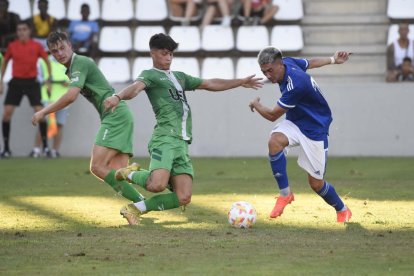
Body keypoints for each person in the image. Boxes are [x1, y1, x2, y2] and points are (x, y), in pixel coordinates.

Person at [103, 33, 262, 225]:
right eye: (164, 53)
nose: (168, 58)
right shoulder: (150, 75)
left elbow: (209, 83)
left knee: (183, 196)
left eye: (171, 54)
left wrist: (240, 82)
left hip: (182, 142)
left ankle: (134, 209)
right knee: (157, 185)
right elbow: (135, 88)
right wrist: (118, 97)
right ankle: (129, 173)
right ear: (153, 53)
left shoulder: (179, 77)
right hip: (165, 138)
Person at [31, 31, 146, 210]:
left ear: (70, 45)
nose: (60, 53)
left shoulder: (80, 62)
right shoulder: (72, 68)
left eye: (62, 48)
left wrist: (43, 112)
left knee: (97, 167)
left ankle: (142, 197)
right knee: (118, 175)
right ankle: (146, 199)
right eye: (54, 51)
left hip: (115, 116)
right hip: (119, 115)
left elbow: (70, 97)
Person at [248, 46, 352, 222]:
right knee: (274, 142)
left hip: (315, 129)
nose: (268, 76)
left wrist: (256, 104)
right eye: (264, 72)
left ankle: (342, 209)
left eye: (270, 71)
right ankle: (285, 194)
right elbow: (309, 63)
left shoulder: (296, 83)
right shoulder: (288, 62)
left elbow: (272, 115)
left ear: (279, 64)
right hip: (295, 123)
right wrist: (333, 59)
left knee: (316, 184)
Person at [0, 21, 51, 158]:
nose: (21, 32)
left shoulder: (36, 46)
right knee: (6, 114)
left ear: (29, 31)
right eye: (19, 29)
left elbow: (47, 61)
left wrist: (48, 80)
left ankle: (45, 148)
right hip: (16, 82)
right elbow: (4, 63)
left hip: (32, 82)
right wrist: (1, 82)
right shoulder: (12, 46)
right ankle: (6, 149)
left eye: (24, 29)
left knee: (40, 112)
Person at [30, 54, 69, 158]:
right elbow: (38, 77)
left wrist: (68, 82)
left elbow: (74, 79)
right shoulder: (43, 61)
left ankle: (55, 151)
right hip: (48, 99)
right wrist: (47, 82)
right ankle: (37, 149)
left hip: (63, 99)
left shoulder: (68, 62)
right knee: (43, 124)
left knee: (59, 124)